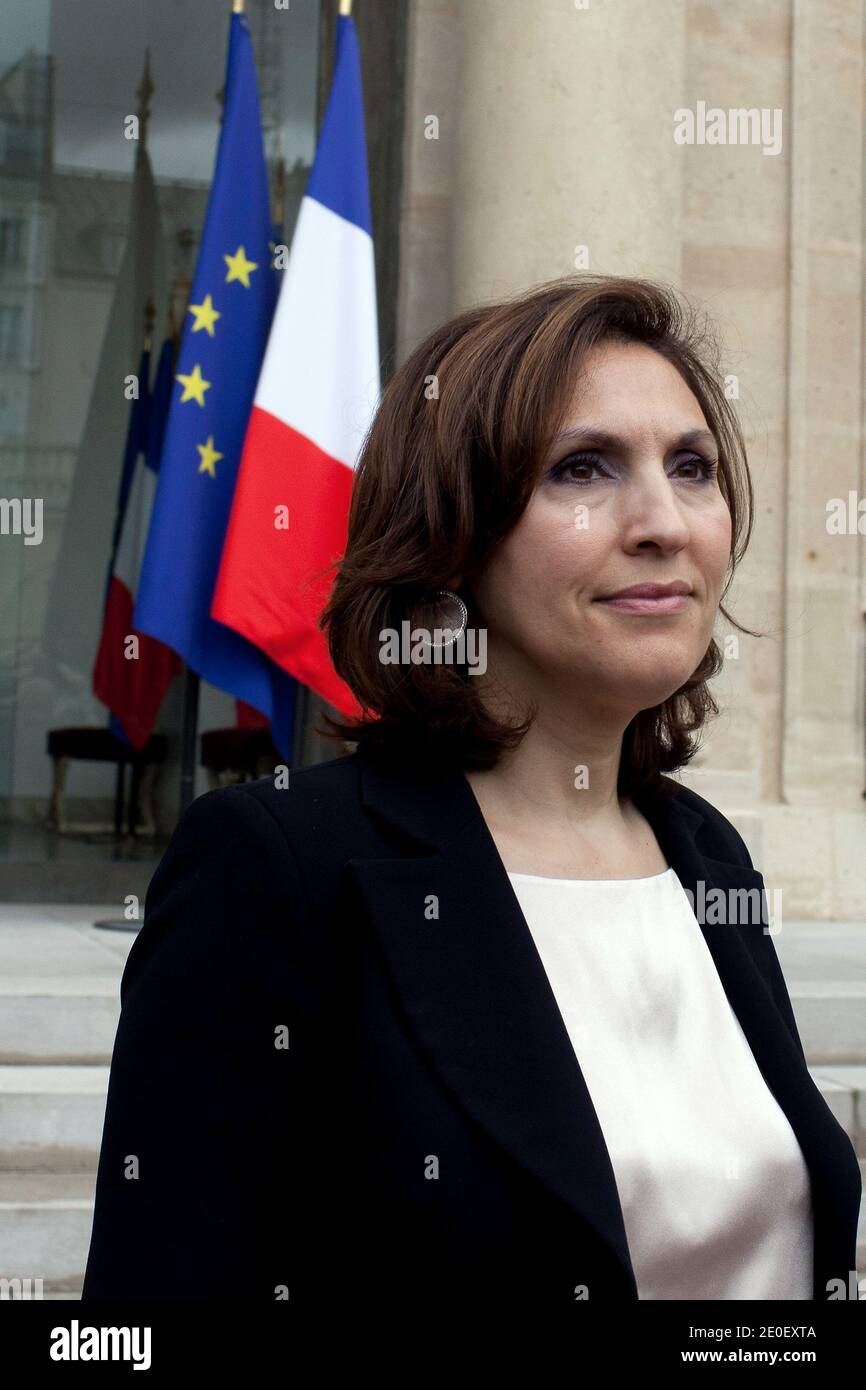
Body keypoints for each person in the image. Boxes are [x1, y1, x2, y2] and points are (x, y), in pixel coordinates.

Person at [81, 274, 862, 1308]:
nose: (662, 521)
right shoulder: (279, 869)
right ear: (450, 532)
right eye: (582, 469)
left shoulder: (704, 853)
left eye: (692, 467)